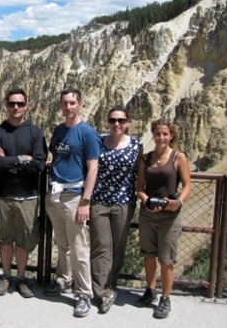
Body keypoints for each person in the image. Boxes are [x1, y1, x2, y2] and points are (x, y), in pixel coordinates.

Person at [45, 88, 101, 318]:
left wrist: (85, 201)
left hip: (74, 195)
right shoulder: (59, 130)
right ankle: (64, 280)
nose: (68, 107)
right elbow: (56, 156)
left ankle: (84, 294)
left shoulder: (87, 133)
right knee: (62, 242)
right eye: (64, 103)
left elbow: (93, 168)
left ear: (80, 104)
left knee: (79, 246)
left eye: (72, 103)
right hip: (55, 193)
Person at [0, 88, 47, 298]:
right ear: (6, 106)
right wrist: (22, 159)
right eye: (12, 104)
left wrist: (8, 161)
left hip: (28, 197)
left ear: (26, 106)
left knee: (23, 239)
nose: (16, 108)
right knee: (4, 237)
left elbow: (39, 164)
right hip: (3, 196)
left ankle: (21, 277)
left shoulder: (35, 133)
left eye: (20, 104)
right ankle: (5, 275)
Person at [135, 118, 191, 319]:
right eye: (158, 133)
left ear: (171, 136)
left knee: (166, 259)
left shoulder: (178, 157)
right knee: (149, 254)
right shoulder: (146, 159)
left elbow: (186, 185)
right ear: (153, 134)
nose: (161, 137)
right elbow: (139, 187)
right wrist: (146, 200)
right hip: (148, 214)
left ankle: (166, 298)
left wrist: (178, 202)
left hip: (170, 216)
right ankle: (150, 291)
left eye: (165, 134)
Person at [89, 105, 143, 313]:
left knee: (118, 247)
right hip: (99, 201)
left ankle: (111, 285)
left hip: (123, 202)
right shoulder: (99, 142)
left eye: (121, 120)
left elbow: (141, 174)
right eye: (113, 120)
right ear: (108, 122)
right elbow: (89, 166)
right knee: (100, 246)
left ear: (128, 123)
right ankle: (100, 291)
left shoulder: (136, 145)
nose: (117, 124)